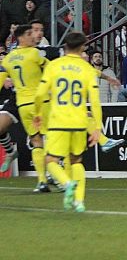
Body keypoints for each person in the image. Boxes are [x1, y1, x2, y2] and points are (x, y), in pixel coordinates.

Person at [33, 32, 102, 212]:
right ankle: (79, 201)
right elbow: (94, 100)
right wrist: (97, 127)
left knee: (51, 160)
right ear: (81, 48)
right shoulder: (87, 68)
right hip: (79, 121)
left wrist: (37, 113)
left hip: (58, 120)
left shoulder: (54, 65)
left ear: (65, 47)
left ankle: (67, 183)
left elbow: (40, 94)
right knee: (77, 161)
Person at [0, 25, 50, 191]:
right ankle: (49, 176)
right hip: (31, 101)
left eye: (37, 32)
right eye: (31, 33)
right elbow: (52, 69)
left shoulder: (9, 58)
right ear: (21, 37)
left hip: (26, 102)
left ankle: (46, 178)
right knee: (45, 139)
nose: (35, 36)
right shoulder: (34, 53)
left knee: (39, 140)